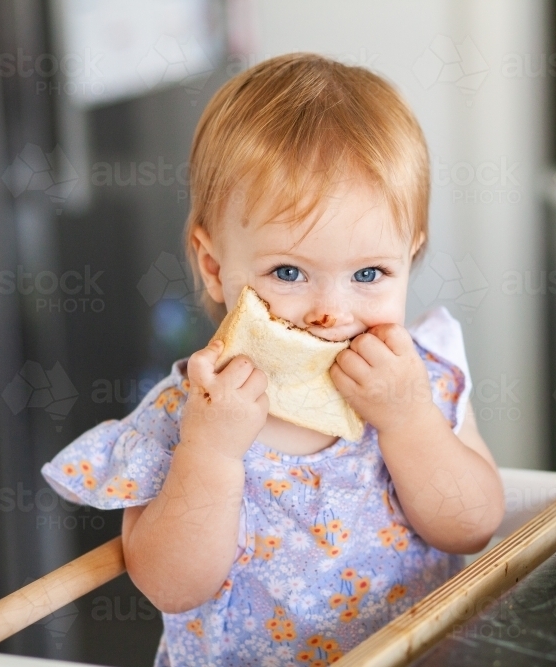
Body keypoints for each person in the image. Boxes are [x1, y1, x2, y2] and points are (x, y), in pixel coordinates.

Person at [42, 52, 504, 667]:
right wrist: (210, 451)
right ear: (214, 266)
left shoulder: (419, 380)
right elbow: (171, 586)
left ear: (409, 258)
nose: (329, 311)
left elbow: (472, 527)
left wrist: (409, 421)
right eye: (288, 272)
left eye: (369, 273)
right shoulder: (190, 415)